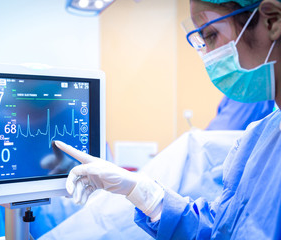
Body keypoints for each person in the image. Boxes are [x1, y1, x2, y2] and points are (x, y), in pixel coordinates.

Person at [54, 0, 281, 239]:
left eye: (212, 35)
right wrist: (144, 194)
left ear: (272, 20)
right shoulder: (259, 137)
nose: (210, 57)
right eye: (202, 42)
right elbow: (221, 230)